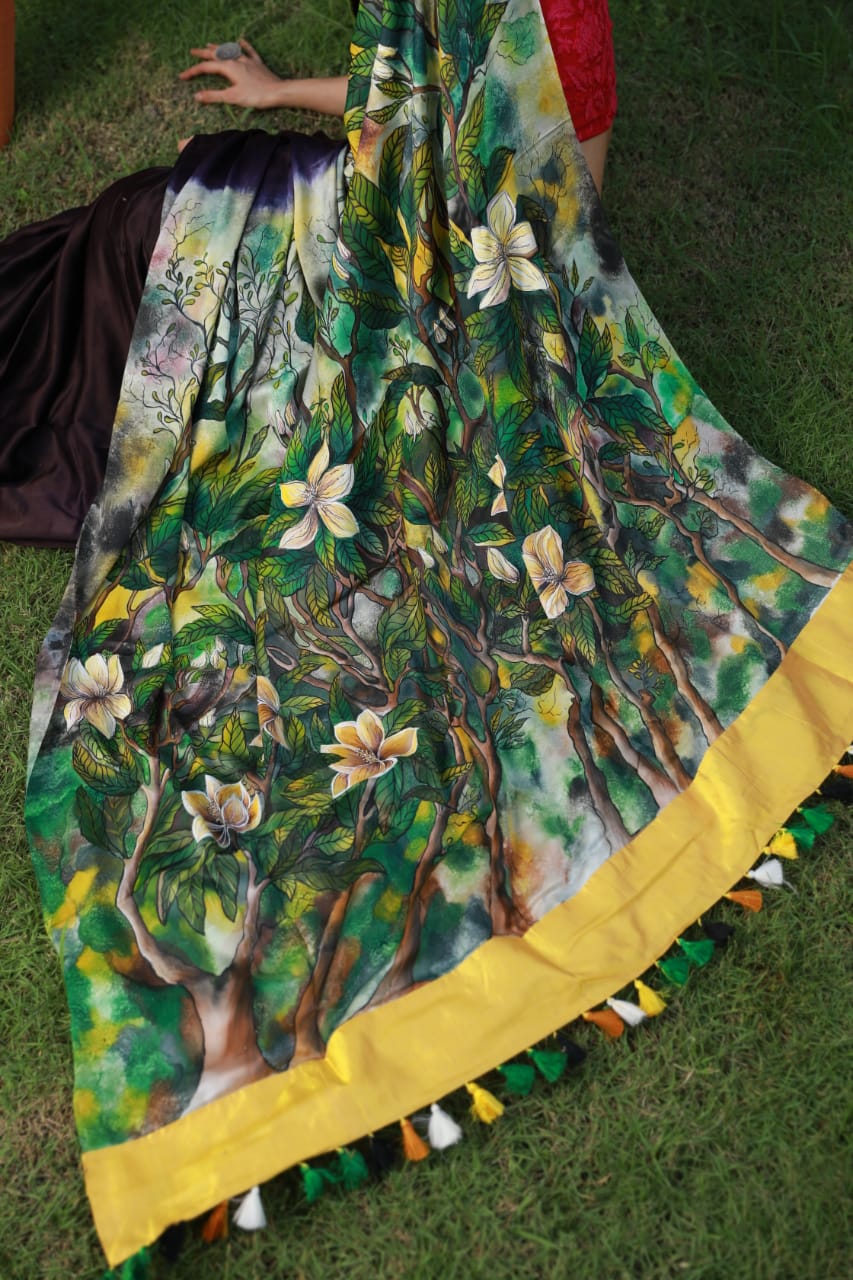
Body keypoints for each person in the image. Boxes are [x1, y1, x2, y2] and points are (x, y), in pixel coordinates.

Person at [12, 0, 853, 1268]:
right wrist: (283, 93)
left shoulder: (542, 41)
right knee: (172, 204)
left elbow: (527, 210)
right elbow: (418, 121)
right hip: (371, 238)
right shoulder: (487, 36)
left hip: (388, 296)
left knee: (164, 232)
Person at [178, 0, 617, 191]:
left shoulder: (549, 21)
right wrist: (277, 91)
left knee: (216, 184)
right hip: (473, 217)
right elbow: (411, 88)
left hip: (472, 249)